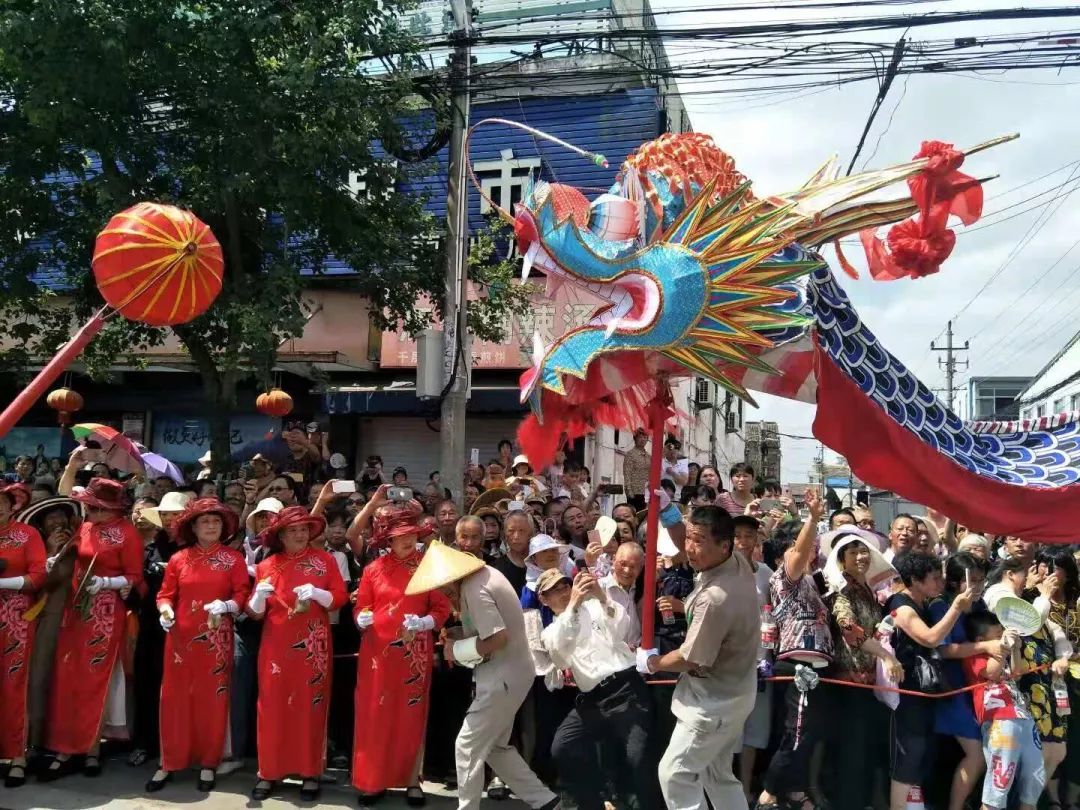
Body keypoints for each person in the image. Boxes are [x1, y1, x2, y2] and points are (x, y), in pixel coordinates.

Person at [405, 541, 560, 810]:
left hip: (503, 676)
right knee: (496, 748)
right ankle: (545, 801)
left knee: (467, 745)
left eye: (441, 586)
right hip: (510, 674)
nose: (442, 592)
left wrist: (457, 649)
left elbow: (497, 637)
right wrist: (459, 637)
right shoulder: (483, 577)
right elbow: (494, 631)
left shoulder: (475, 588)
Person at [638, 505, 760, 810]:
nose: (689, 549)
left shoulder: (714, 598)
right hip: (734, 694)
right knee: (717, 774)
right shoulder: (739, 563)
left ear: (724, 545)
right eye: (690, 539)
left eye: (699, 541)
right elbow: (688, 539)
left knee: (674, 774)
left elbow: (691, 658)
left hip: (713, 704)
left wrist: (652, 663)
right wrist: (667, 511)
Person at [42, 478, 144, 781]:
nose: (87, 508)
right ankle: (63, 746)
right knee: (67, 677)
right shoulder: (84, 527)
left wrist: (107, 583)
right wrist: (53, 560)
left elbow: (135, 577)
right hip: (75, 610)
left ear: (107, 507)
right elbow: (72, 561)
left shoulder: (127, 533)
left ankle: (91, 749)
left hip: (105, 613)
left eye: (93, 505)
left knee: (95, 680)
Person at [352, 499, 452, 806]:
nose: (408, 539)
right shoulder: (373, 570)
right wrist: (361, 617)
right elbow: (362, 606)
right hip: (376, 654)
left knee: (411, 715)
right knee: (374, 715)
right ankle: (373, 780)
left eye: (412, 533)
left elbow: (442, 608)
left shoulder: (429, 567)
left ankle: (412, 781)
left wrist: (425, 622)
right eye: (400, 534)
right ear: (388, 539)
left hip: (413, 653)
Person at [147, 498, 250, 794]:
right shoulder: (179, 559)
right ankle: (169, 761)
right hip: (179, 638)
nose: (211, 526)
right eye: (205, 521)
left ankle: (208, 762)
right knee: (173, 699)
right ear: (193, 526)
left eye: (216, 521)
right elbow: (165, 594)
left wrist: (228, 604)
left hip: (216, 638)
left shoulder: (233, 559)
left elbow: (242, 593)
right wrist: (165, 611)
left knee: (212, 700)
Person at [538, 567, 663, 809]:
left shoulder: (596, 607)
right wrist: (572, 606)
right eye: (555, 590)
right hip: (592, 698)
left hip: (624, 688)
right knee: (564, 746)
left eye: (566, 586)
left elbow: (622, 629)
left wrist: (602, 596)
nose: (564, 592)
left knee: (638, 760)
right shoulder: (550, 631)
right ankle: (594, 802)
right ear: (544, 599)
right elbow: (561, 656)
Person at [246, 506, 348, 802]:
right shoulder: (268, 565)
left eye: (304, 529)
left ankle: (309, 772)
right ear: (280, 535)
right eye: (293, 530)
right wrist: (258, 596)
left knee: (310, 707)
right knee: (272, 707)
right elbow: (254, 613)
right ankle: (269, 772)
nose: (300, 534)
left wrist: (318, 593)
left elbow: (339, 598)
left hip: (313, 646)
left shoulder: (324, 560)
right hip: (276, 646)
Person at [820, 526, 904, 810]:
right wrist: (886, 656)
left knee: (867, 750)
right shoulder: (841, 590)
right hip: (849, 683)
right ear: (841, 559)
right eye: (853, 552)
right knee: (853, 753)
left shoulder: (867, 590)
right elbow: (848, 629)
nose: (861, 556)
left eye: (864, 551)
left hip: (870, 684)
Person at [756, 488, 829, 810]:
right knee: (796, 733)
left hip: (819, 665)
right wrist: (812, 518)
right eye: (799, 545)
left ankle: (796, 790)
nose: (808, 551)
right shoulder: (786, 576)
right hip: (797, 663)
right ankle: (769, 792)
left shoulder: (814, 580)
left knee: (809, 735)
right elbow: (798, 553)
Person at [886, 551, 975, 810]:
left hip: (923, 690)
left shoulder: (924, 604)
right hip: (905, 692)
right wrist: (956, 608)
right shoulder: (901, 606)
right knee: (908, 753)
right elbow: (930, 638)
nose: (939, 584)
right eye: (935, 578)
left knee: (922, 751)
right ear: (914, 580)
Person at [963, 610, 1045, 810]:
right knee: (1000, 781)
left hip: (1023, 716)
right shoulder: (975, 655)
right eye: (998, 635)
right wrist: (1003, 648)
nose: (1002, 638)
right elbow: (991, 672)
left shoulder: (1002, 654)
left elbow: (1016, 674)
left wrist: (1015, 649)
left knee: (1035, 774)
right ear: (981, 639)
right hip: (1000, 719)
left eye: (1003, 634)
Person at [931, 552, 991, 810]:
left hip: (978, 690)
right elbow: (943, 650)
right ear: (955, 581)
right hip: (951, 690)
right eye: (972, 580)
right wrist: (986, 645)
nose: (977, 586)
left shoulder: (981, 607)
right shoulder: (940, 606)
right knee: (976, 755)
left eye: (981, 580)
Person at [22, 497, 80, 758]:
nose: (58, 522)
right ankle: (33, 741)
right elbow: (37, 584)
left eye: (61, 516)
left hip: (79, 621)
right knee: (39, 678)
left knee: (69, 683)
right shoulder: (37, 549)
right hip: (48, 619)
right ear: (42, 526)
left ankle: (67, 741)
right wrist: (50, 555)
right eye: (51, 518)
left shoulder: (81, 545)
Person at [0, 484, 45, 788]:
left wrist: (7, 581)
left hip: (15, 617)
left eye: (1, 502)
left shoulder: (27, 535)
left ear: (12, 504)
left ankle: (18, 756)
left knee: (14, 685)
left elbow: (39, 574)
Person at [598, 541, 644, 647]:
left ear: (640, 568)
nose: (627, 570)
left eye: (633, 567)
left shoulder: (640, 589)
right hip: (609, 656)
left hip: (635, 654)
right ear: (613, 560)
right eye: (623, 564)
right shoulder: (600, 587)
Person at [493, 509, 531, 595]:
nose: (516, 536)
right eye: (511, 531)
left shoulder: (540, 563)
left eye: (522, 531)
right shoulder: (497, 569)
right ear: (505, 534)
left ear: (530, 534)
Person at [623, 428, 650, 511]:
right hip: (634, 493)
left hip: (646, 492)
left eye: (645, 437)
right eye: (640, 437)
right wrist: (629, 492)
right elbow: (627, 473)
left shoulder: (649, 456)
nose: (643, 439)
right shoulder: (630, 455)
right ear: (635, 438)